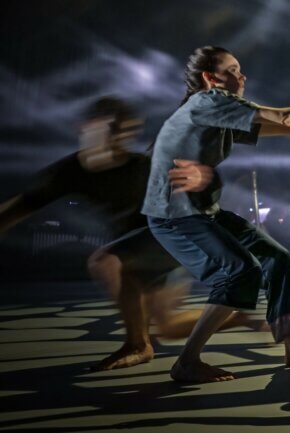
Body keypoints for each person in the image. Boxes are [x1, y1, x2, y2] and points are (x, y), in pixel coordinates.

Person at [143, 45, 290, 383]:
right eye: (232, 70)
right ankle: (187, 361)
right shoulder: (208, 102)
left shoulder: (219, 111)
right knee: (240, 272)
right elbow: (286, 116)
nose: (242, 77)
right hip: (175, 217)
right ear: (210, 78)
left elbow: (280, 127)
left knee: (276, 257)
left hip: (203, 211)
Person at [0, 97, 245, 371]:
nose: (120, 139)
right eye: (113, 129)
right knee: (168, 327)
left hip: (175, 237)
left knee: (105, 261)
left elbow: (195, 181)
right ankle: (237, 317)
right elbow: (17, 208)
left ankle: (137, 345)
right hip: (139, 250)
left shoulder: (140, 166)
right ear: (85, 127)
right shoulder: (67, 172)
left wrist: (201, 177)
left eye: (128, 132)